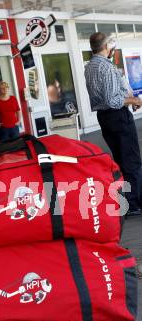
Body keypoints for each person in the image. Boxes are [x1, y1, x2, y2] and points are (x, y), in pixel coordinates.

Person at [85, 32, 142, 216]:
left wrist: (127, 98)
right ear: (106, 46)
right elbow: (112, 100)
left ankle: (128, 201)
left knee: (121, 159)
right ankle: (134, 204)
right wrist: (132, 101)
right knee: (131, 160)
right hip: (118, 117)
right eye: (111, 44)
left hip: (105, 118)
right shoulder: (106, 67)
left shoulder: (90, 66)